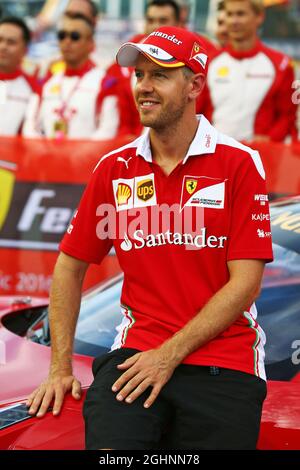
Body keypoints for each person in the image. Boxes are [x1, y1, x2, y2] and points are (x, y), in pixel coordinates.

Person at [26, 26, 273, 450]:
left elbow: (245, 284)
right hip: (134, 357)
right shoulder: (114, 168)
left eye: (159, 75)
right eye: (139, 75)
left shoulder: (240, 163)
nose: (143, 86)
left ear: (194, 84)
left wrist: (169, 355)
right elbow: (69, 265)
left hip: (224, 362)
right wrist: (59, 368)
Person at [101, 0, 217, 139]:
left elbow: (209, 108)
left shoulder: (202, 53)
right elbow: (120, 116)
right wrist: (126, 140)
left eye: (160, 75)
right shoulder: (130, 53)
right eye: (139, 75)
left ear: (179, 22)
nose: (156, 26)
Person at [199, 0, 297, 142]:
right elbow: (196, 111)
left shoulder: (281, 64)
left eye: (240, 14)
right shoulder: (209, 61)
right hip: (214, 153)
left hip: (262, 157)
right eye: (229, 14)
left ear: (259, 17)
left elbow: (288, 116)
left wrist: (269, 139)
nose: (233, 21)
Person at [23, 12, 118, 140]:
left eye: (75, 36)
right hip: (47, 158)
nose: (67, 41)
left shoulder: (105, 82)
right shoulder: (46, 82)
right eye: (62, 36)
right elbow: (29, 126)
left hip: (89, 158)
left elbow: (108, 130)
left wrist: (75, 155)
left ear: (91, 44)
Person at [0, 17, 37, 136]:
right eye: (0, 40)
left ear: (25, 50)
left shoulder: (33, 89)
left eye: (11, 42)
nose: (3, 47)